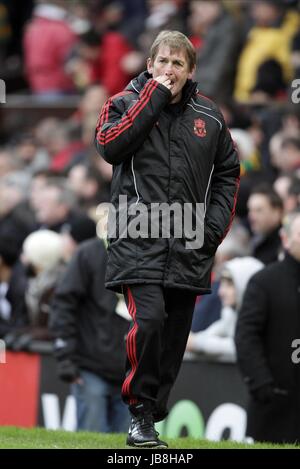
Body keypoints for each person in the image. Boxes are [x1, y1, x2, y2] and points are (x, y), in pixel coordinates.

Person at [95, 30, 240, 448]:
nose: (169, 69)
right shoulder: (123, 102)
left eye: (178, 63)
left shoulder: (209, 117)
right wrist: (153, 97)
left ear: (191, 70)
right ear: (149, 64)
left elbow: (229, 172)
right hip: (137, 238)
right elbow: (110, 145)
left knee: (174, 339)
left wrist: (212, 230)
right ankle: (140, 413)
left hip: (189, 244)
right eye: (162, 61)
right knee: (150, 319)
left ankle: (151, 415)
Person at [50, 237, 130, 433]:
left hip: (133, 372)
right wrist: (66, 358)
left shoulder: (150, 254)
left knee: (128, 450)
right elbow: (63, 305)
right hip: (91, 367)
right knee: (92, 439)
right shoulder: (89, 252)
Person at [235, 211, 300, 443]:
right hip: (273, 404)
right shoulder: (265, 282)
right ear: (286, 238)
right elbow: (245, 336)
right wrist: (261, 382)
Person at [187, 256, 264, 361]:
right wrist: (193, 341)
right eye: (222, 284)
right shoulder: (229, 313)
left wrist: (197, 343)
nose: (221, 292)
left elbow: (244, 346)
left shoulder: (263, 318)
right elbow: (202, 337)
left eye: (229, 284)